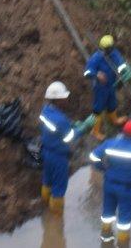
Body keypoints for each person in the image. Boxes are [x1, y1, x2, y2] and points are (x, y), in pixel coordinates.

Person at [89, 118, 131, 246]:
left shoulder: (110, 144)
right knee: (124, 220)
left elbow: (93, 157)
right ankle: (122, 243)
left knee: (107, 213)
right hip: (127, 189)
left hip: (109, 185)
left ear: (123, 132)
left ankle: (105, 238)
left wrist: (103, 168)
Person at [38, 81, 95, 214]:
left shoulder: (45, 111)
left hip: (46, 152)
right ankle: (56, 218)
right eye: (64, 98)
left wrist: (72, 124)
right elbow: (69, 138)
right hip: (58, 157)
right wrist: (84, 127)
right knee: (59, 188)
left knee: (47, 181)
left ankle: (45, 206)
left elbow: (56, 127)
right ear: (57, 100)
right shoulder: (60, 120)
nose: (66, 100)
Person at [84, 35, 131, 139]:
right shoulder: (96, 58)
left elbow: (121, 63)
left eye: (109, 49)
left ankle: (114, 120)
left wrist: (125, 70)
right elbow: (87, 72)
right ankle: (95, 131)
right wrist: (97, 75)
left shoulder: (114, 53)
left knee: (112, 102)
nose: (107, 51)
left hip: (111, 84)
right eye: (105, 49)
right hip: (100, 87)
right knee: (98, 108)